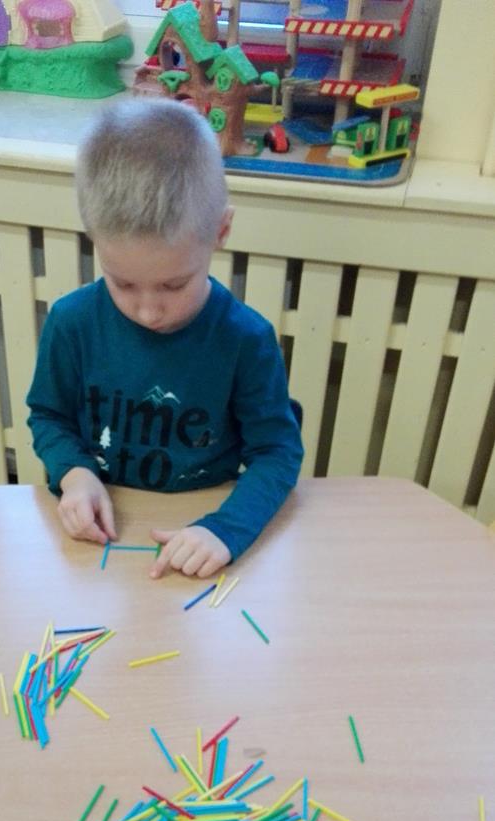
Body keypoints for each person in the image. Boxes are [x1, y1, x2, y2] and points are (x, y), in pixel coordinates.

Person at [26, 99, 303, 579]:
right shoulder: (71, 323)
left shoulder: (247, 339)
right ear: (94, 238)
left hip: (202, 531)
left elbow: (277, 452)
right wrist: (74, 473)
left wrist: (226, 530)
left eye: (174, 285)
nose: (148, 311)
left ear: (221, 231)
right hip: (104, 543)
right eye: (123, 283)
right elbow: (49, 416)